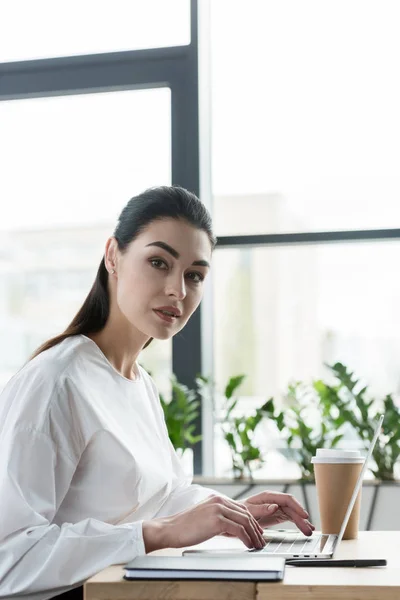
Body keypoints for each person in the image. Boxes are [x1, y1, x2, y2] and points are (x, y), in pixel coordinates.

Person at [0, 186, 314, 600]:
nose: (178, 291)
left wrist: (230, 511)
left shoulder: (138, 382)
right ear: (113, 255)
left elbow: (161, 495)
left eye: (194, 275)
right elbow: (10, 558)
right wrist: (158, 533)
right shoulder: (56, 381)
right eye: (158, 262)